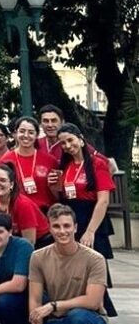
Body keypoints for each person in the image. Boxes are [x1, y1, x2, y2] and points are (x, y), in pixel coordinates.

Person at [28, 203, 109, 324]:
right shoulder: (38, 257)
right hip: (58, 321)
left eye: (67, 226)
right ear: (49, 227)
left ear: (75, 227)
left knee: (78, 316)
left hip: (92, 319)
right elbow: (34, 301)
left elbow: (93, 301)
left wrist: (54, 305)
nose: (62, 231)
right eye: (56, 226)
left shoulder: (94, 259)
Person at [54, 122, 116, 314]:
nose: (67, 146)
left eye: (70, 140)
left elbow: (103, 201)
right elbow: (62, 195)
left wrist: (90, 231)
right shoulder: (66, 166)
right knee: (76, 271)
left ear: (80, 140)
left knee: (94, 270)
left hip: (92, 219)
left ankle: (100, 311)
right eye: (62, 143)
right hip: (72, 220)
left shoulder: (97, 164)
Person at [0, 161, 48, 246]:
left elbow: (29, 243)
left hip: (39, 245)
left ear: (11, 184)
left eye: (2, 180)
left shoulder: (23, 205)